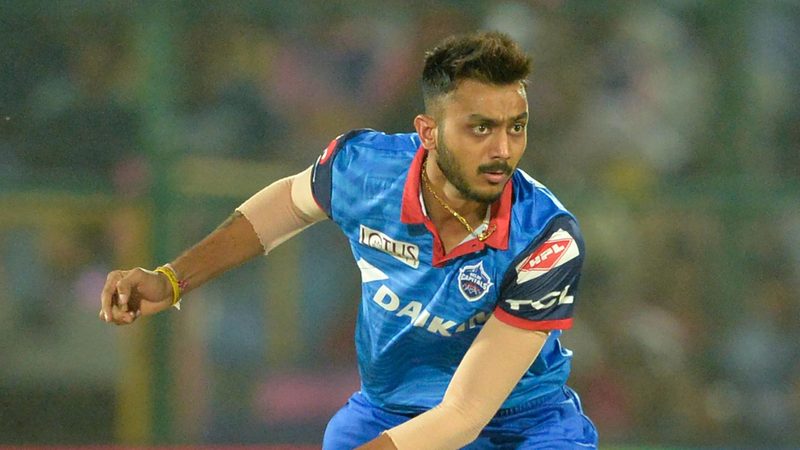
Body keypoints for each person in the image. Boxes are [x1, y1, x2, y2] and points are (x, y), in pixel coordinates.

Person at [99, 31, 598, 449]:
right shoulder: (364, 168)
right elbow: (285, 204)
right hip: (389, 412)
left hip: (522, 426)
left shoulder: (547, 237)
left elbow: (465, 414)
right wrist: (171, 279)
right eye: (481, 128)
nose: (503, 150)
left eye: (516, 127)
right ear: (428, 132)